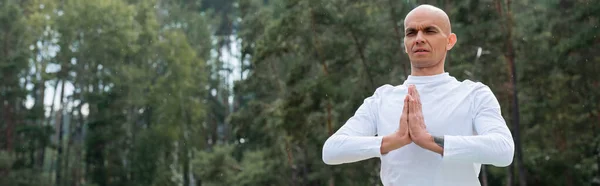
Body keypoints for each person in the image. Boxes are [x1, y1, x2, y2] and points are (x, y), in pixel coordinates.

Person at [321, 4, 515, 186]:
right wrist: (395, 140)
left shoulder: (473, 94)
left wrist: (429, 141)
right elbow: (332, 150)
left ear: (450, 41)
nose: (419, 38)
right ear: (405, 44)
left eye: (430, 31)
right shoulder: (382, 98)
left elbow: (503, 150)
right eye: (411, 33)